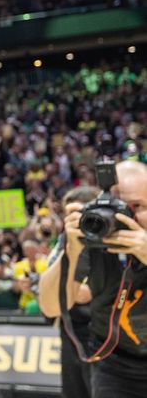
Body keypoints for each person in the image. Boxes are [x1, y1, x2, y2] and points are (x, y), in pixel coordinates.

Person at [39, 161, 147, 398]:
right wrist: (72, 250)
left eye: (136, 206)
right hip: (114, 363)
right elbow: (50, 306)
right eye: (118, 206)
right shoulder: (94, 230)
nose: (124, 215)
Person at [37, 185, 100, 398]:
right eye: (70, 215)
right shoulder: (65, 241)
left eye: (82, 214)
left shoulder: (109, 237)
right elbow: (52, 299)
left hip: (104, 334)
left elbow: (86, 293)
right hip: (71, 332)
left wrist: (79, 290)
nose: (76, 221)